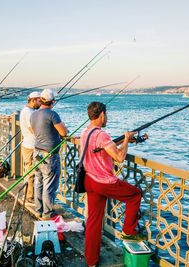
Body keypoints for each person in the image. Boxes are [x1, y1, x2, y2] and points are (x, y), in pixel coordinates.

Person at [80, 102, 144, 267]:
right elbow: (120, 158)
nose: (107, 118)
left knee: (94, 221)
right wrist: (127, 140)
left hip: (89, 180)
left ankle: (91, 261)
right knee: (135, 194)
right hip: (103, 181)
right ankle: (128, 231)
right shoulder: (101, 135)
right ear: (101, 115)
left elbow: (105, 149)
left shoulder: (85, 133)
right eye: (106, 115)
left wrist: (126, 140)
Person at [30, 89, 67, 219]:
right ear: (52, 101)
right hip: (49, 154)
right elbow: (63, 132)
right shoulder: (52, 114)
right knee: (49, 185)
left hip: (37, 152)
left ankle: (38, 209)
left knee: (38, 182)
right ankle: (47, 213)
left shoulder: (33, 115)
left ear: (41, 100)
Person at [19, 91, 41, 203]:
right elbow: (32, 128)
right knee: (31, 172)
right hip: (31, 145)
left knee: (29, 171)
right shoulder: (29, 112)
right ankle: (29, 197)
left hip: (27, 144)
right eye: (39, 100)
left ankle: (29, 195)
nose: (41, 102)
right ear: (33, 100)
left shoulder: (28, 111)